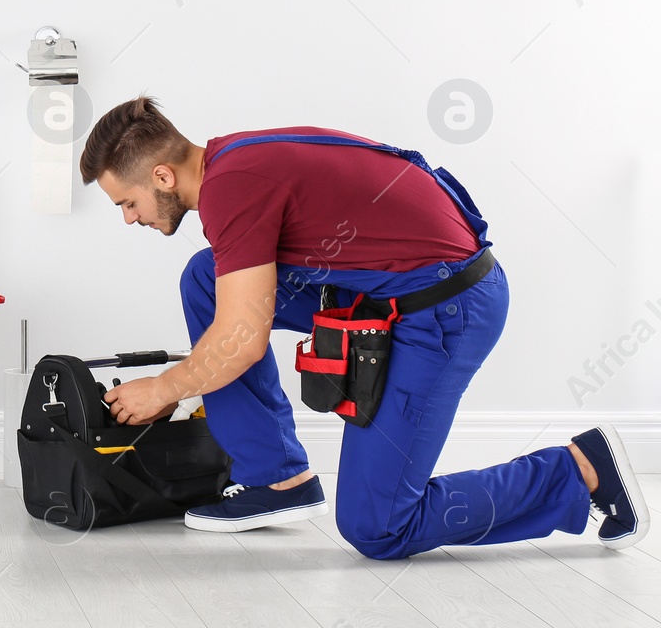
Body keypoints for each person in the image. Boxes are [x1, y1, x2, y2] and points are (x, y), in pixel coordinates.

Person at [82, 96, 648, 559]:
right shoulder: (234, 159)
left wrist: (165, 388)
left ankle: (579, 469)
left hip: (447, 309)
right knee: (208, 276)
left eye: (127, 203)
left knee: (377, 527)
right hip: (392, 290)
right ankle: (276, 479)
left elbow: (241, 337)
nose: (130, 217)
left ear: (162, 174)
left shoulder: (232, 188)